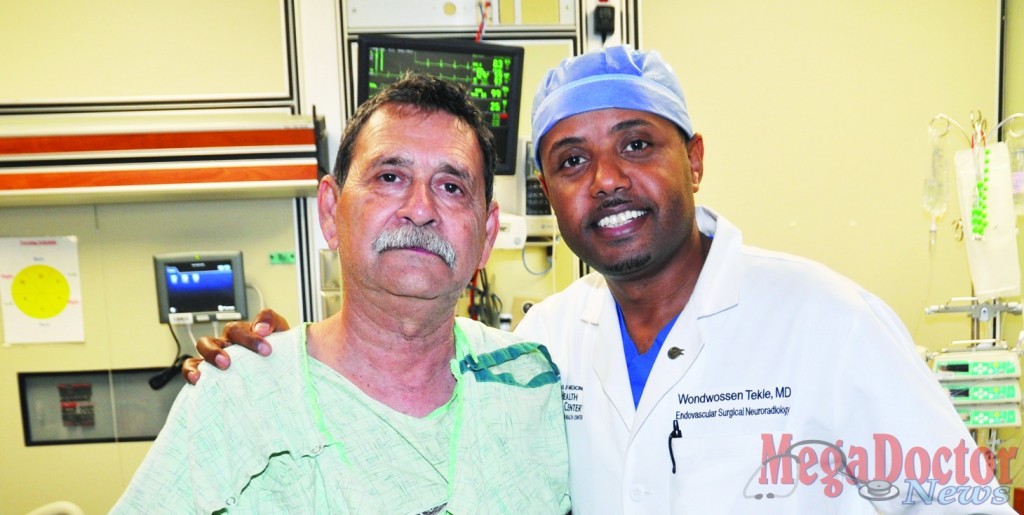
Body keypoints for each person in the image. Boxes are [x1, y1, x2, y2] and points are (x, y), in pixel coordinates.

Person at [187, 47, 1015, 513]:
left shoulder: (827, 322)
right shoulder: (539, 349)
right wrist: (265, 358)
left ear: (694, 157)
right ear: (547, 196)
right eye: (572, 161)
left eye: (639, 144)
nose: (608, 179)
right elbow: (395, 367)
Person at [114, 74, 570, 514]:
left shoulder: (529, 383)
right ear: (331, 212)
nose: (419, 209)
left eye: (451, 187)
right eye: (390, 177)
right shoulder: (239, 397)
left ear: (487, 235)